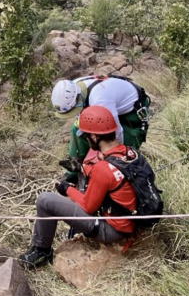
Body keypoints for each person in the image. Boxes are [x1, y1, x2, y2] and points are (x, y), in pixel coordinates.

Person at [18, 105, 159, 269]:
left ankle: (42, 251)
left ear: (94, 136)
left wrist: (66, 189)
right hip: (130, 221)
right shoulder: (129, 153)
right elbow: (113, 180)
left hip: (112, 230)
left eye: (86, 136)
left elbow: (88, 206)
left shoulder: (103, 168)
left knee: (45, 201)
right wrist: (80, 169)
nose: (86, 139)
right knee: (83, 188)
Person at [51, 74, 150, 183]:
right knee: (76, 129)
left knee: (120, 153)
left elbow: (117, 133)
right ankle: (74, 171)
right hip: (113, 104)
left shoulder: (100, 100)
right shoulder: (75, 88)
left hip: (131, 113)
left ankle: (124, 176)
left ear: (78, 99)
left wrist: (113, 155)